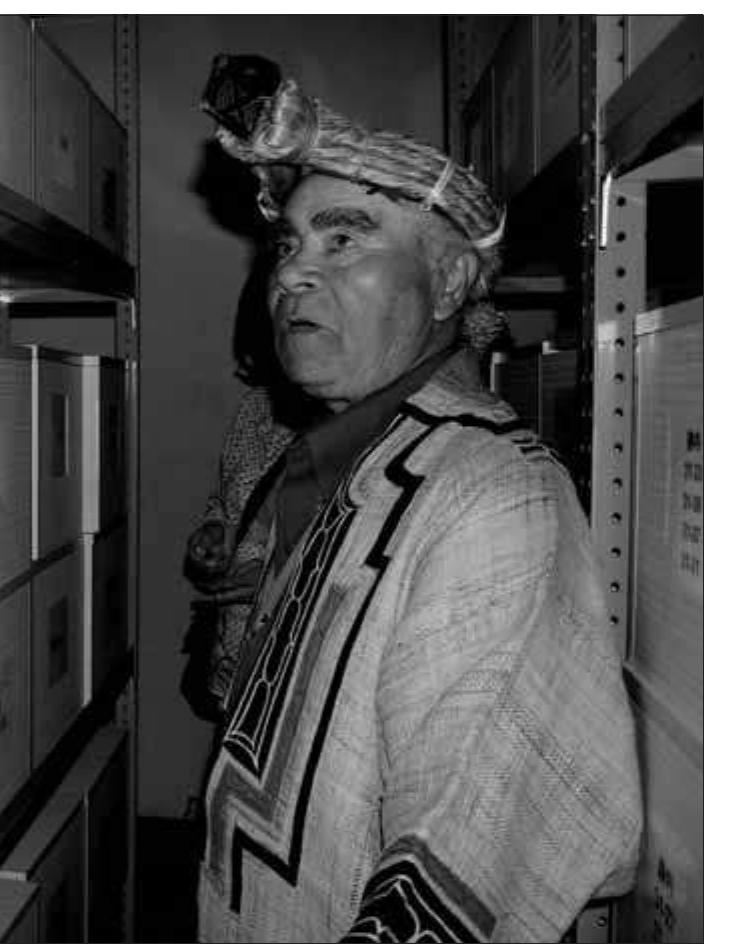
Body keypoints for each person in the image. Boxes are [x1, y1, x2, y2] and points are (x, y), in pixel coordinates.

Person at [192, 64, 643, 942]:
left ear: (445, 289)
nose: (290, 276)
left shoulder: (494, 501)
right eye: (288, 245)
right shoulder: (354, 452)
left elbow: (469, 871)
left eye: (344, 239)